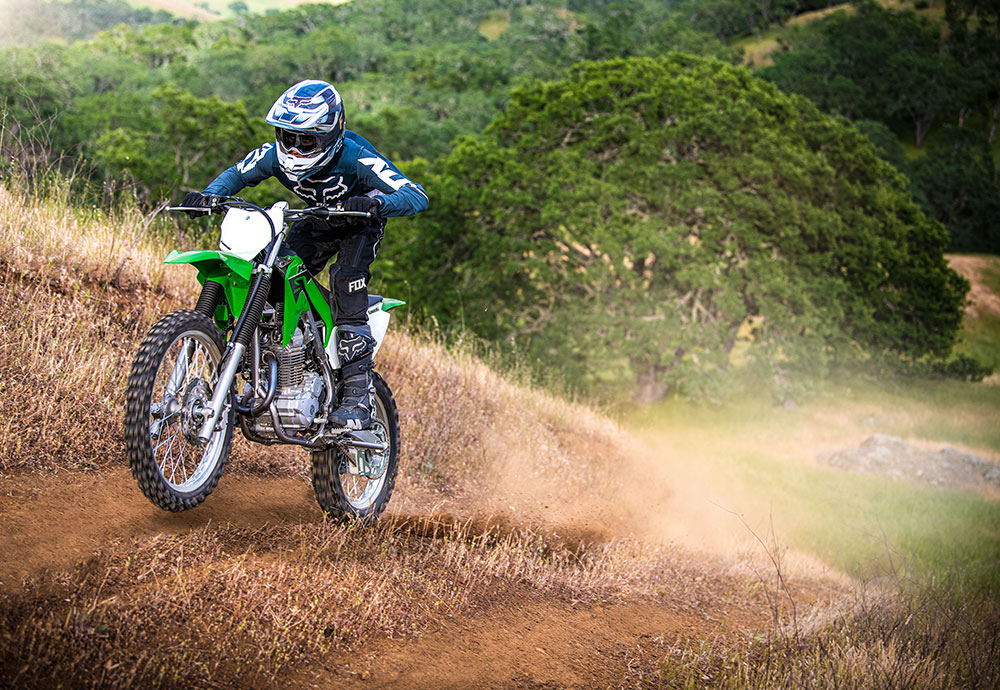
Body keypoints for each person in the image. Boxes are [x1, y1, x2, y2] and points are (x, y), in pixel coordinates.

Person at [183, 79, 428, 430]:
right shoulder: (272, 155)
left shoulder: (355, 155)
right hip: (315, 219)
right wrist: (209, 196)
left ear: (331, 134)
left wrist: (376, 204)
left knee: (346, 281)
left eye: (307, 141)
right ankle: (282, 354)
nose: (296, 149)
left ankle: (358, 395)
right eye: (288, 137)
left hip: (359, 222)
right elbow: (236, 174)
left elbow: (416, 195)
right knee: (272, 273)